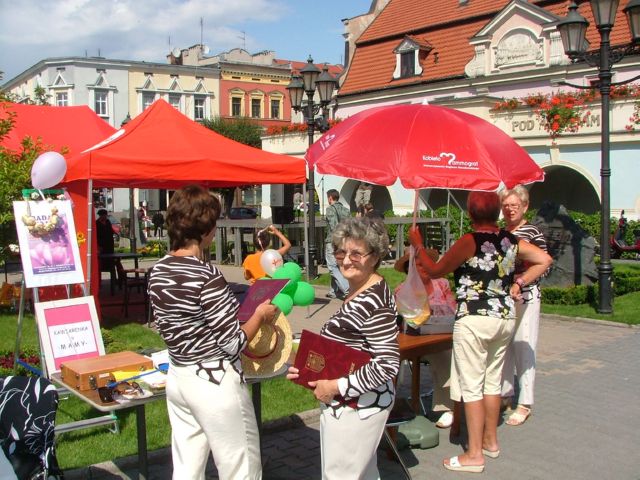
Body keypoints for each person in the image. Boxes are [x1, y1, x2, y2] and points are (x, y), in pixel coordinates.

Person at [408, 191, 552, 473]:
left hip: (474, 318)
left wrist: (419, 245)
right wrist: (520, 281)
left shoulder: (469, 241)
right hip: (504, 317)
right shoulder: (510, 240)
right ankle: (490, 441)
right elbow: (544, 259)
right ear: (497, 212)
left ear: (471, 214)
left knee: (472, 386)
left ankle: (474, 454)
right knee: (492, 383)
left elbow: (435, 270)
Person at [147, 185, 278, 480]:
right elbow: (233, 343)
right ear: (206, 229)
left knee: (186, 467)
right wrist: (259, 315)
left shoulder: (158, 270)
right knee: (240, 469)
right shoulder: (207, 276)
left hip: (178, 375)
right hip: (214, 379)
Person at [287, 217, 399, 480]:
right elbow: (350, 346)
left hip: (358, 407)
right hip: (350, 403)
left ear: (375, 257)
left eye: (356, 253)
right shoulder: (360, 289)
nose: (346, 260)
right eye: (341, 252)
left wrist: (336, 386)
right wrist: (305, 369)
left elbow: (387, 364)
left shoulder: (374, 302)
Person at [500, 186, 548, 426]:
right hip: (504, 297)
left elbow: (543, 265)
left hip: (526, 296)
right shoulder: (501, 232)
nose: (510, 210)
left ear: (525, 206)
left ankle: (525, 402)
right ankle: (505, 393)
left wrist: (520, 282)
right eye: (506, 206)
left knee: (524, 344)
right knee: (504, 344)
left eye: (514, 206)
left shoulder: (532, 232)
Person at [394, 247, 457, 429]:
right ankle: (392, 406)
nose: (423, 268)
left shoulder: (442, 284)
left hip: (443, 335)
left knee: (447, 354)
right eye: (417, 265)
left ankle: (450, 406)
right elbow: (403, 320)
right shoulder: (402, 290)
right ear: (409, 269)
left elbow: (453, 309)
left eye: (425, 264)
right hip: (415, 339)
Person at [325, 189, 350, 299]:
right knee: (339, 265)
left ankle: (347, 289)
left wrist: (336, 240)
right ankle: (333, 291)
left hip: (333, 241)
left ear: (330, 198)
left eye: (328, 198)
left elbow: (334, 225)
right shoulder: (346, 210)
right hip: (344, 241)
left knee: (332, 267)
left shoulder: (330, 209)